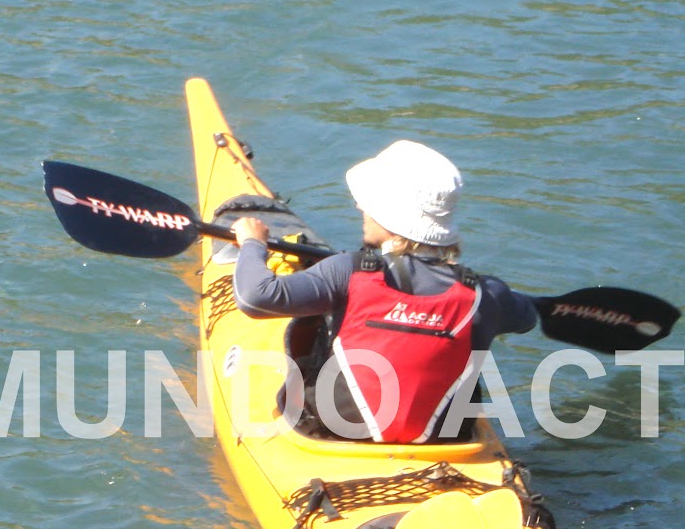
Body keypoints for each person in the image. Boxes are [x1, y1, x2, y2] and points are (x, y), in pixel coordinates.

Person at [230, 139, 539, 443]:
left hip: (332, 434)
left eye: (368, 201)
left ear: (389, 215)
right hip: (442, 444)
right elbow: (527, 318)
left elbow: (254, 296)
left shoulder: (344, 271)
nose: (359, 205)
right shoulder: (487, 294)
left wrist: (252, 243)